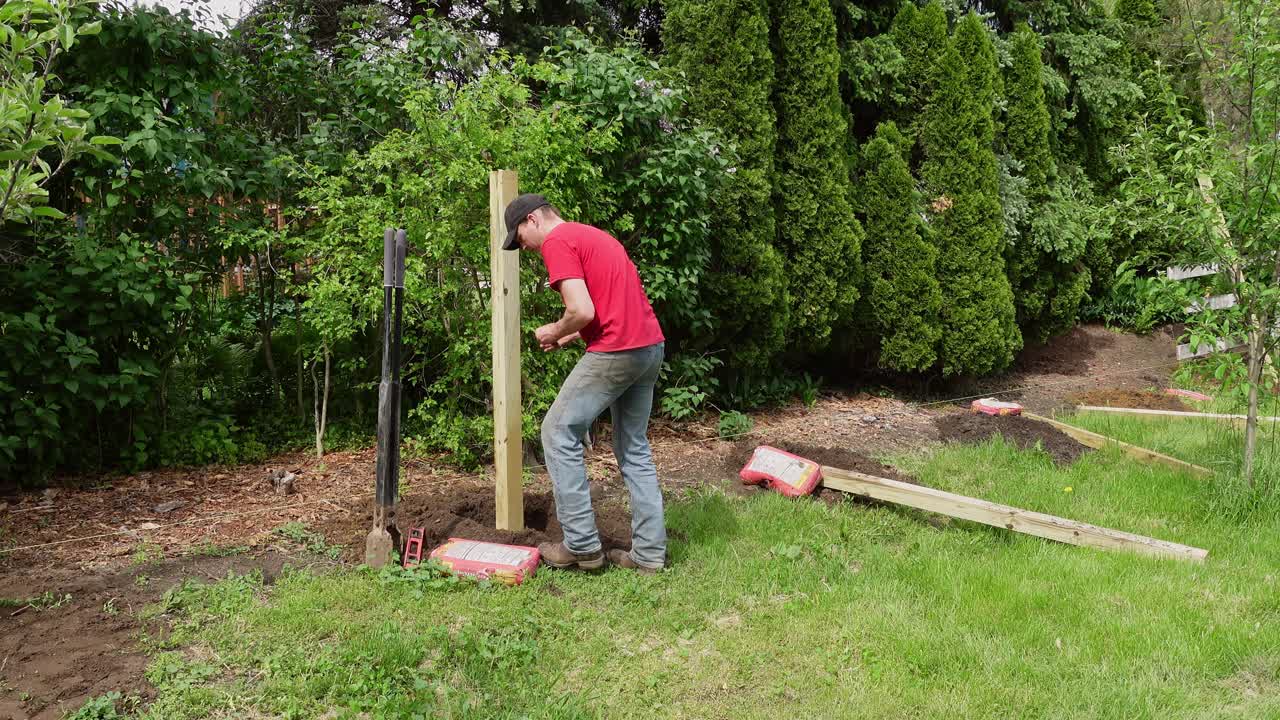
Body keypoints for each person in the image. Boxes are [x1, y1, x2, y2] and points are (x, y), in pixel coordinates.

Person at [502, 193, 667, 573]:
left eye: (520, 237)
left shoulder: (557, 241)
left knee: (557, 431)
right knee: (634, 447)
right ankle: (649, 554)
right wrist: (571, 335)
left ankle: (581, 546)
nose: (523, 247)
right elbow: (609, 305)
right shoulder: (593, 236)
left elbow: (581, 309)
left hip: (618, 351)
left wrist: (554, 327)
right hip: (648, 348)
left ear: (533, 220)